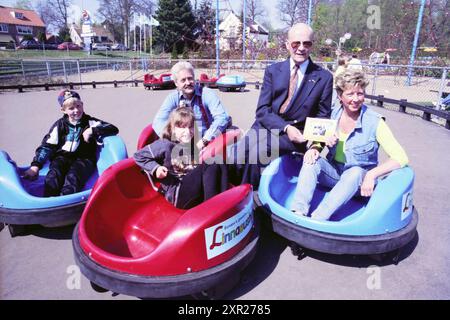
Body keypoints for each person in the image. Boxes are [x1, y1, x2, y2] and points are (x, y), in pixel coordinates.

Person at [290, 69, 409, 221]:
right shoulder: (332, 114)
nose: (356, 99)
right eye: (350, 94)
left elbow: (401, 157)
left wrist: (372, 175)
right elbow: (318, 139)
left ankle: (317, 219)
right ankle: (298, 212)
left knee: (354, 172)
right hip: (335, 175)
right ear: (340, 96)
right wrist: (316, 147)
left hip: (359, 182)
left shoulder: (375, 122)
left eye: (359, 93)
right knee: (310, 160)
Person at [230, 23, 333, 187]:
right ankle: (232, 192)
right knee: (237, 156)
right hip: (266, 125)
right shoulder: (272, 70)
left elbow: (323, 118)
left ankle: (248, 196)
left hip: (295, 136)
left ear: (312, 45)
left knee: (257, 155)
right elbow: (262, 110)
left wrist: (315, 147)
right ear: (287, 45)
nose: (301, 48)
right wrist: (285, 127)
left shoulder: (324, 77)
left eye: (306, 43)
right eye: (296, 43)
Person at [23, 90, 119, 196]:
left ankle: (66, 200)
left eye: (78, 106)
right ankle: (50, 199)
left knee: (73, 177)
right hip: (62, 157)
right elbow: (47, 146)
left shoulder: (90, 122)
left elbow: (113, 128)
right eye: (71, 108)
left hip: (84, 159)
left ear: (82, 105)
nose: (76, 110)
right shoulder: (60, 125)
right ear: (63, 110)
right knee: (53, 176)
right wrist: (36, 166)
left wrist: (92, 130)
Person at [134, 107, 229, 209]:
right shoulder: (165, 145)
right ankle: (211, 209)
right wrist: (156, 168)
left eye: (190, 127)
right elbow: (138, 156)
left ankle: (223, 201)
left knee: (218, 160)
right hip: (178, 193)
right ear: (173, 129)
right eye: (182, 127)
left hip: (192, 188)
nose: (187, 132)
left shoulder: (191, 144)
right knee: (210, 163)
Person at [152, 61, 231, 151]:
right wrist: (174, 139)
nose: (188, 82)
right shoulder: (173, 98)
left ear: (194, 79)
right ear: (176, 83)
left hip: (207, 144)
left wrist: (204, 141)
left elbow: (222, 118)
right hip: (183, 144)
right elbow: (158, 121)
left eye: (190, 78)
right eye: (183, 80)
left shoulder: (207, 94)